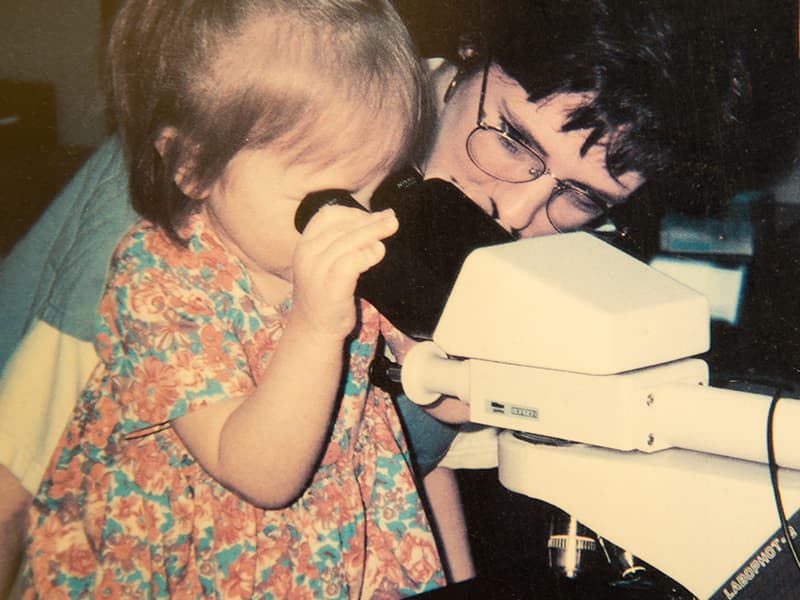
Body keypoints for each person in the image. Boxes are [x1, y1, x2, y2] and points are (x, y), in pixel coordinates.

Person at [2, 0, 792, 595]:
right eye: (513, 140)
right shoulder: (225, 173)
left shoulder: (518, 250)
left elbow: (406, 460)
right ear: (468, 52)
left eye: (581, 197)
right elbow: (13, 476)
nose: (514, 215)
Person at [18, 0, 450, 597]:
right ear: (192, 165)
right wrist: (316, 328)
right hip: (204, 562)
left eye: (380, 185)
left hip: (340, 546)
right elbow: (261, 474)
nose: (363, 217)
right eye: (329, 198)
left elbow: (451, 401)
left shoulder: (347, 241)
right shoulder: (157, 279)